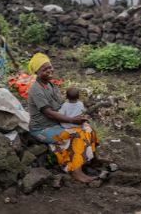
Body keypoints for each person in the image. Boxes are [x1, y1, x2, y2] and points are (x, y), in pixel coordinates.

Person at [27, 53, 106, 183]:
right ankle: (76, 171)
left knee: (88, 129)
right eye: (44, 69)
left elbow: (61, 106)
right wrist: (72, 120)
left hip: (57, 123)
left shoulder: (51, 86)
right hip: (42, 129)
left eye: (50, 67)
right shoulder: (35, 90)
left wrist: (77, 115)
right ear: (37, 72)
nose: (49, 70)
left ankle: (93, 160)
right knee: (76, 134)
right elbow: (49, 113)